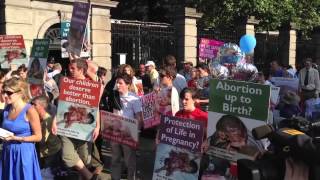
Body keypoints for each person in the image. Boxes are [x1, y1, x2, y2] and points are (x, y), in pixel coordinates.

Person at [53, 58, 102, 180]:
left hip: (84, 128)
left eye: (73, 68)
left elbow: (95, 108)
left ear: (81, 70)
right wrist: (54, 121)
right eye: (70, 67)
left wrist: (98, 126)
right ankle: (90, 176)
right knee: (67, 156)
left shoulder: (92, 86)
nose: (69, 70)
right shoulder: (67, 83)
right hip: (66, 126)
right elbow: (61, 106)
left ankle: (85, 176)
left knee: (85, 159)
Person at [0, 77, 42, 180]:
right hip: (7, 151)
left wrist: (17, 138)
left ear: (20, 93)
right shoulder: (7, 109)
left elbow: (38, 136)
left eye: (9, 93)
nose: (5, 95)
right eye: (4, 91)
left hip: (23, 153)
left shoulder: (30, 110)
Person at [108, 73, 143, 180]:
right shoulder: (114, 95)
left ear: (127, 84)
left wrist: (135, 134)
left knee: (129, 160)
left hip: (128, 132)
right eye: (117, 83)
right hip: (115, 130)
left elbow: (139, 117)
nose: (118, 85)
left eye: (120, 83)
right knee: (115, 158)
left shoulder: (134, 98)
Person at [31, 95, 61, 169]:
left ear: (41, 106)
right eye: (31, 104)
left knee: (46, 172)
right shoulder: (38, 117)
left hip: (51, 151)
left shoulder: (47, 120)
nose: (31, 106)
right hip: (44, 150)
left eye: (34, 104)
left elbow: (42, 140)